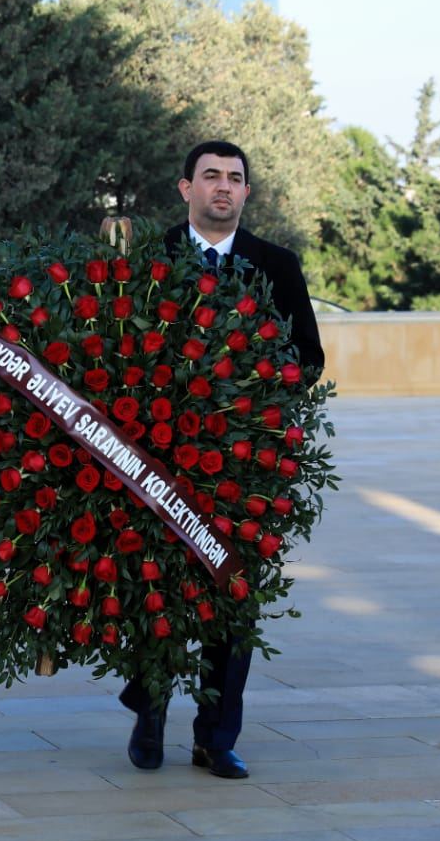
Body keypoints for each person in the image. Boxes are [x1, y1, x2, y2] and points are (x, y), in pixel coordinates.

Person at [119, 139, 327, 783]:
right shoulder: (147, 258)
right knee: (157, 595)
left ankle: (216, 735)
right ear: (185, 188)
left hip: (243, 471)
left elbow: (310, 359)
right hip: (160, 464)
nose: (223, 188)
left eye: (235, 179)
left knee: (232, 601)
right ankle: (148, 713)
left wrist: (253, 400)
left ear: (246, 192)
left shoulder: (276, 264)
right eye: (210, 177)